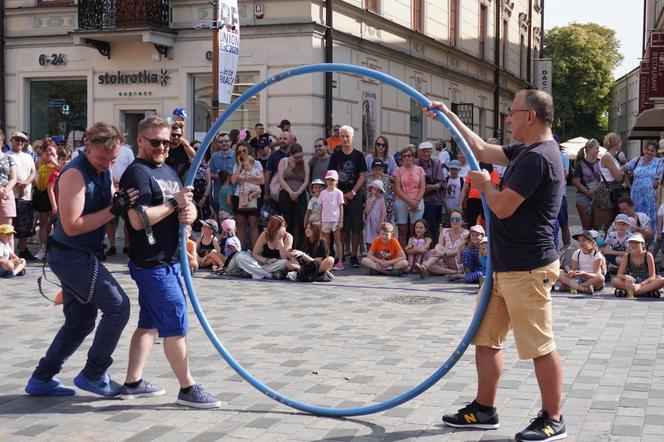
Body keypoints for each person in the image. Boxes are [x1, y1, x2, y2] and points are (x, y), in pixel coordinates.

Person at [427, 89, 567, 441]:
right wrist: (449, 116)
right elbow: (480, 150)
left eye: (512, 111)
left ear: (530, 116)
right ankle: (484, 408)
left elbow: (503, 206)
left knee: (539, 345)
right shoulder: (525, 150)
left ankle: (553, 417)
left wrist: (487, 186)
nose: (507, 117)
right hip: (503, 267)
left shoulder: (541, 158)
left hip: (528, 267)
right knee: (487, 339)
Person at [25, 122, 137, 398]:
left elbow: (109, 201)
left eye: (112, 159)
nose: (106, 164)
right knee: (118, 307)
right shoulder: (74, 173)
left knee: (80, 321)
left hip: (79, 255)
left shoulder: (104, 167)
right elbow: (73, 225)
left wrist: (121, 200)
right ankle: (94, 373)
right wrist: (114, 210)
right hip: (70, 256)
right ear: (88, 146)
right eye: (102, 158)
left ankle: (41, 378)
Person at [118, 116, 220, 408]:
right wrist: (175, 204)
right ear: (140, 141)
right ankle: (187, 388)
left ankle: (133, 382)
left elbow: (179, 210)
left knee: (148, 323)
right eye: (155, 142)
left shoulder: (168, 171)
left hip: (170, 260)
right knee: (175, 324)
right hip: (153, 263)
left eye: (167, 141)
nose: (162, 146)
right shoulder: (136, 174)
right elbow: (137, 220)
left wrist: (186, 216)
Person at [327, 125, 367, 268]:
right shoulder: (335, 156)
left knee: (356, 227)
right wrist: (339, 194)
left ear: (352, 138)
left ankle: (354, 256)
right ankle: (341, 254)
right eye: (342, 136)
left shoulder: (358, 155)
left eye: (347, 136)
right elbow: (331, 175)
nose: (344, 139)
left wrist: (353, 192)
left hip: (354, 194)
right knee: (341, 226)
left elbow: (362, 176)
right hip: (338, 194)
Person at [223, 215, 298, 280]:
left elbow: (285, 258)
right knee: (240, 256)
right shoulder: (265, 235)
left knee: (284, 262)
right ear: (274, 228)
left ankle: (256, 272)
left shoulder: (288, 237)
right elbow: (255, 254)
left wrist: (280, 241)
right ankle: (267, 275)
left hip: (276, 265)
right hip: (261, 263)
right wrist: (266, 260)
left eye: (284, 226)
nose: (283, 229)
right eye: (281, 227)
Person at [7, 131, 37, 261]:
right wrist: (16, 185)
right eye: (17, 140)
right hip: (10, 196)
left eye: (22, 141)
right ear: (11, 140)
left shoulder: (28, 156)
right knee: (9, 226)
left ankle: (23, 250)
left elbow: (33, 172)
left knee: (25, 225)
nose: (20, 142)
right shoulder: (6, 156)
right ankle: (8, 252)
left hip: (26, 195)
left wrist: (24, 184)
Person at [414, 209, 468, 278]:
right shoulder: (444, 231)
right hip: (444, 258)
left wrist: (442, 254)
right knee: (433, 254)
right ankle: (455, 272)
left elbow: (458, 251)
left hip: (457, 260)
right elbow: (439, 246)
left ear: (462, 221)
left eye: (457, 219)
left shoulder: (466, 234)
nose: (454, 221)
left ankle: (425, 267)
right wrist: (434, 251)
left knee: (437, 250)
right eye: (452, 219)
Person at [623, 141, 662, 227]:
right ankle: (636, 237)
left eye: (652, 151)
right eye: (647, 149)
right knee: (637, 216)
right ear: (644, 150)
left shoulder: (659, 162)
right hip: (636, 196)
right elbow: (623, 170)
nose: (649, 152)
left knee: (650, 218)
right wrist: (629, 185)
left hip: (650, 197)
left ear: (656, 152)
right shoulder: (637, 160)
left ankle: (651, 237)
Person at [232, 142, 264, 248]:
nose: (242, 153)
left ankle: (255, 251)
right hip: (239, 195)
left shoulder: (257, 163)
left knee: (253, 223)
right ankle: (240, 251)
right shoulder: (237, 165)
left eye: (244, 151)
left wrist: (246, 179)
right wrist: (241, 165)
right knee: (240, 223)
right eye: (239, 152)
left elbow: (262, 181)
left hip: (254, 195)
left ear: (249, 150)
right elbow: (233, 181)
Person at [612, 233, 664, 297]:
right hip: (632, 282)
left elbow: (652, 277)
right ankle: (645, 292)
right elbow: (619, 275)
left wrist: (640, 285)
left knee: (662, 280)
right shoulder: (627, 256)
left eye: (637, 242)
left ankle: (631, 293)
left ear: (642, 245)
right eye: (631, 242)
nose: (633, 245)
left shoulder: (648, 255)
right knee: (614, 281)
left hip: (646, 282)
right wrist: (626, 276)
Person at [106, 142, 135, 256]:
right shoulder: (106, 148)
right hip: (109, 186)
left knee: (127, 218)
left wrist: (122, 184)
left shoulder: (127, 151)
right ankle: (112, 245)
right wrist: (112, 182)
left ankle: (127, 245)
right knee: (109, 218)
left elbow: (132, 168)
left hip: (124, 188)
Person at [394, 144, 426, 248]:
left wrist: (416, 201)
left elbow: (422, 187)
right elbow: (398, 189)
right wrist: (409, 201)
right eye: (404, 156)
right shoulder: (398, 171)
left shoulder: (420, 169)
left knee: (415, 229)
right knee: (402, 229)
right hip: (402, 200)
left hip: (417, 199)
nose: (407, 157)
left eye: (409, 155)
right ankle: (402, 254)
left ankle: (414, 253)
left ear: (413, 157)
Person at [277, 143, 310, 243]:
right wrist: (291, 192)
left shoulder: (304, 163)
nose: (299, 159)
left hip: (300, 194)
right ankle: (288, 246)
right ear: (291, 154)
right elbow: (281, 179)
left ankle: (301, 246)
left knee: (301, 221)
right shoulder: (283, 161)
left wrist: (298, 192)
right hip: (286, 194)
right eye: (296, 157)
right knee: (288, 222)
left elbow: (306, 180)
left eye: (300, 156)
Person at [556, 230, 605, 294]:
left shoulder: (597, 254)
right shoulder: (577, 253)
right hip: (579, 279)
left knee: (601, 278)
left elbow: (596, 274)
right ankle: (583, 289)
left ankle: (572, 286)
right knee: (558, 273)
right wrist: (571, 272)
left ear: (591, 242)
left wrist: (584, 274)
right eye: (579, 240)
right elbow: (574, 271)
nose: (581, 243)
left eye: (583, 240)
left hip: (591, 280)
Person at [416, 141, 447, 243]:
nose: (426, 154)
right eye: (423, 151)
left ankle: (433, 249)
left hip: (433, 201)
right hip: (417, 200)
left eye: (428, 151)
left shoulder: (436, 164)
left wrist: (432, 187)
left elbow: (442, 183)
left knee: (433, 228)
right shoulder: (415, 164)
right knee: (417, 228)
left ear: (431, 152)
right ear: (419, 152)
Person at [33, 142, 59, 259]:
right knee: (43, 223)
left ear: (56, 150)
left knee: (56, 223)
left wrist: (55, 162)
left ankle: (57, 249)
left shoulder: (60, 161)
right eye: (46, 150)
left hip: (56, 194)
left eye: (51, 150)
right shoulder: (39, 161)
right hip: (42, 194)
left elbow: (63, 171)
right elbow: (33, 174)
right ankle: (42, 248)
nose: (48, 153)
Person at [595, 132, 626, 234]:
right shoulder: (607, 157)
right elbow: (618, 177)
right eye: (620, 141)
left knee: (609, 222)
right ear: (616, 143)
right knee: (605, 222)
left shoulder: (612, 157)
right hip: (608, 191)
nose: (621, 144)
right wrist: (622, 171)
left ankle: (602, 244)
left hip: (612, 190)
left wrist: (621, 172)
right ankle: (598, 245)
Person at [571, 138, 602, 231]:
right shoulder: (580, 164)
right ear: (589, 149)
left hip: (598, 197)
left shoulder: (600, 162)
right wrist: (588, 192)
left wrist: (595, 190)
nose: (598, 150)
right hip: (583, 199)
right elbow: (575, 181)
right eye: (596, 148)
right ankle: (586, 245)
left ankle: (595, 245)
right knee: (587, 228)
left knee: (597, 227)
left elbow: (604, 179)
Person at [460, 162, 499, 227]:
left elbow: (493, 188)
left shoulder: (494, 173)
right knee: (472, 225)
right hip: (472, 200)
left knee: (486, 224)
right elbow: (464, 189)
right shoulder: (473, 172)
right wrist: (460, 204)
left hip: (486, 201)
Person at [319, 170, 345, 270]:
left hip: (335, 220)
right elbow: (321, 208)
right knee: (326, 242)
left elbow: (341, 207)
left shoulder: (339, 193)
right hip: (325, 220)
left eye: (332, 180)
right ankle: (327, 261)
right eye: (328, 179)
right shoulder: (323, 193)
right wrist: (320, 221)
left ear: (336, 181)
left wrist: (341, 221)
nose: (330, 181)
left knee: (338, 241)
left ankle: (340, 262)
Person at [264, 131, 293, 201]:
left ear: (291, 140)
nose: (282, 140)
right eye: (280, 139)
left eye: (285, 138)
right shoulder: (273, 155)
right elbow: (268, 175)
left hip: (293, 192)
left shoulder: (295, 155)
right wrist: (266, 193)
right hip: (277, 193)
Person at [364, 159, 394, 224]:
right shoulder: (367, 179)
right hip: (370, 204)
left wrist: (385, 175)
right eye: (375, 169)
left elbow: (394, 181)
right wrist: (369, 174)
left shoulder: (386, 179)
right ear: (372, 169)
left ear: (383, 170)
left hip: (382, 204)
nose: (377, 171)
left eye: (380, 169)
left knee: (389, 198)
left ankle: (388, 221)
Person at [209, 133, 235, 206]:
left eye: (226, 141)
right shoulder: (214, 157)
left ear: (230, 142)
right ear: (218, 144)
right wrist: (218, 176)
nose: (224, 143)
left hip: (233, 194)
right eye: (221, 142)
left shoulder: (236, 156)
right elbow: (209, 174)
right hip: (219, 195)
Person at [364, 179, 386, 249]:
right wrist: (371, 201)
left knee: (378, 239)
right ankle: (369, 255)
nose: (375, 192)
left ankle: (378, 256)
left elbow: (383, 213)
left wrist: (381, 224)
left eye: (378, 190)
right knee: (369, 239)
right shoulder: (369, 199)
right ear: (371, 189)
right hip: (370, 223)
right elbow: (366, 211)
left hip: (378, 222)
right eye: (374, 189)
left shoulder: (381, 200)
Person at [0, 143, 17, 229]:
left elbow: (13, 178)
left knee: (6, 231)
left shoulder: (9, 159)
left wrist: (4, 191)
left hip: (5, 194)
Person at [443, 160, 464, 226]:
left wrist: (461, 207)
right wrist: (446, 207)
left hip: (457, 209)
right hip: (446, 210)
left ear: (459, 170)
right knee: (446, 227)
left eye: (455, 169)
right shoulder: (446, 180)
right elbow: (442, 194)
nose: (453, 171)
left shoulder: (462, 180)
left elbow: (464, 194)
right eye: (452, 169)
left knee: (457, 227)